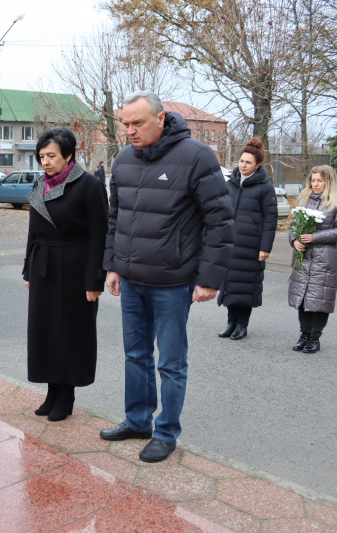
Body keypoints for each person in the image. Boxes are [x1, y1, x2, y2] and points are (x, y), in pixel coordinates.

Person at [99, 92, 234, 462]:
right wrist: (112, 265)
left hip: (173, 282)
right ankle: (137, 420)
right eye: (125, 124)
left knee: (170, 362)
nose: (130, 131)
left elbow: (220, 222)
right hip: (131, 279)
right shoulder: (123, 160)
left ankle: (166, 432)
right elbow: (116, 219)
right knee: (135, 355)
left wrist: (209, 279)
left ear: (161, 118)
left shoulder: (196, 157)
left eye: (138, 123)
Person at [23, 127, 108, 422]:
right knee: (45, 330)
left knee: (70, 332)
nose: (45, 162)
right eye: (42, 156)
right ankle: (51, 391)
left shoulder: (88, 186)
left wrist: (95, 279)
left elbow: (100, 235)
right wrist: (27, 269)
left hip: (75, 267)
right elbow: (33, 232)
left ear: (69, 155)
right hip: (43, 267)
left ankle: (67, 395)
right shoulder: (39, 185)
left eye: (52, 156)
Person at [217, 138, 278, 340]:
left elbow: (270, 220)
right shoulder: (230, 184)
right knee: (231, 285)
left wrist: (265, 248)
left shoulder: (265, 188)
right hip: (231, 244)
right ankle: (230, 323)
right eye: (241, 161)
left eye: (248, 162)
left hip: (252, 246)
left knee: (246, 286)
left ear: (257, 165)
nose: (243, 165)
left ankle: (242, 325)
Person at [288, 165, 337, 354]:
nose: (315, 184)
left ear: (328, 182)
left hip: (325, 258)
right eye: (313, 180)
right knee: (303, 297)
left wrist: (315, 237)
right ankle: (303, 334)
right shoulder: (304, 198)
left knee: (319, 300)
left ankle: (314, 337)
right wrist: (294, 240)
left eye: (320, 180)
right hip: (304, 256)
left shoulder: (334, 202)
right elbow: (294, 224)